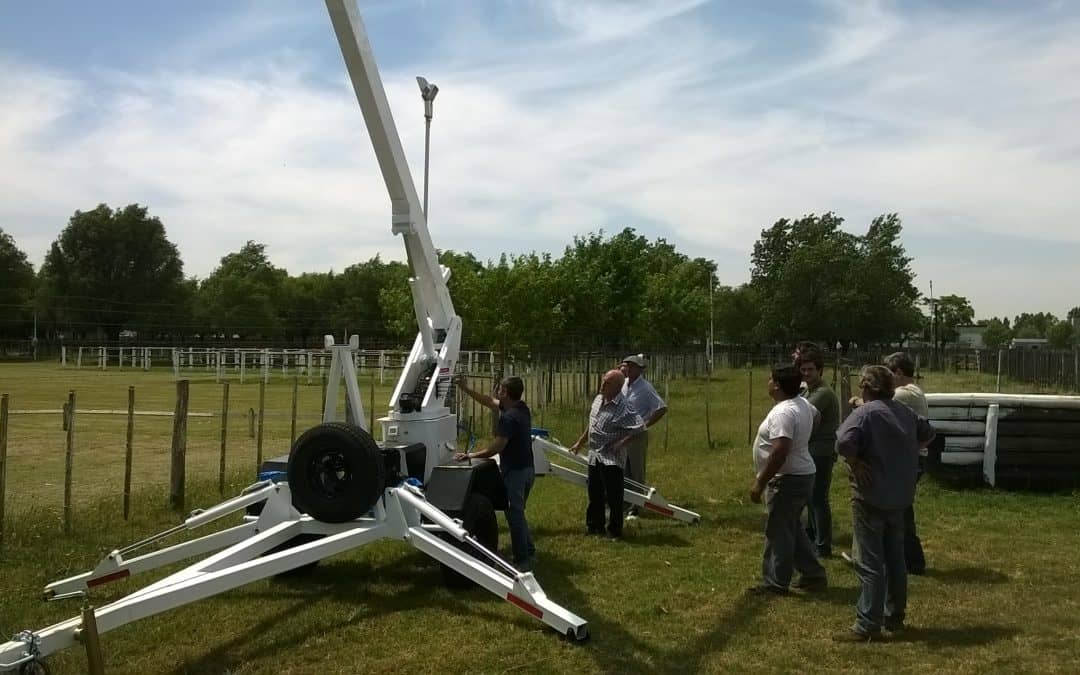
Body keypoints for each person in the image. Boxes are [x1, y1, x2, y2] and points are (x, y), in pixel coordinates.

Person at [833, 366, 934, 642]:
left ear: (867, 387)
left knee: (870, 562)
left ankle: (868, 624)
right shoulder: (905, 412)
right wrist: (908, 451)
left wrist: (855, 462)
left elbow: (843, 441)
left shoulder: (865, 413)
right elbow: (928, 433)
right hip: (900, 496)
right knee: (895, 558)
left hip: (870, 496)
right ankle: (895, 616)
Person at [748, 363, 827, 595]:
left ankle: (776, 582)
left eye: (770, 379)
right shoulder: (802, 403)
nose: (768, 382)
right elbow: (817, 417)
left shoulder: (783, 413)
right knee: (791, 526)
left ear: (777, 385)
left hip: (787, 478)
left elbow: (780, 451)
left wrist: (760, 482)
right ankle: (813, 574)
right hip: (802, 473)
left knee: (778, 531)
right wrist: (802, 440)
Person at [455, 376, 536, 572]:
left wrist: (470, 456)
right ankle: (529, 550)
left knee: (514, 516)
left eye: (499, 389)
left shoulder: (509, 418)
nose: (496, 392)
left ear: (505, 392)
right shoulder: (521, 408)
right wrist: (466, 389)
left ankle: (522, 562)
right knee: (518, 512)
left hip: (515, 473)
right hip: (528, 470)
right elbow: (489, 402)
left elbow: (497, 448)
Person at [568, 369, 644, 540]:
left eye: (607, 383)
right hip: (594, 455)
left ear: (617, 386)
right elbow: (592, 424)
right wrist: (580, 442)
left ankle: (614, 531)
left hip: (611, 458)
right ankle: (594, 526)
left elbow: (640, 430)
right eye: (603, 381)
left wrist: (621, 444)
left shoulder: (624, 407)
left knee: (613, 496)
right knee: (594, 493)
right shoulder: (598, 399)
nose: (602, 385)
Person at [884, 352, 929, 575]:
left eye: (889, 374)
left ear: (899, 373)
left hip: (910, 459)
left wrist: (856, 401)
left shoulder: (903, 393)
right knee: (902, 509)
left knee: (901, 511)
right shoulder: (914, 391)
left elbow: (878, 404)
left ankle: (913, 560)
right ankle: (906, 558)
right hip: (913, 457)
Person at [798, 349, 841, 558]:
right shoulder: (809, 390)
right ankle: (812, 536)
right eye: (803, 369)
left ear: (820, 370)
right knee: (810, 497)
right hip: (811, 449)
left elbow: (801, 412)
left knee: (818, 498)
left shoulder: (823, 393)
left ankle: (823, 545)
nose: (806, 373)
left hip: (821, 451)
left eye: (810, 369)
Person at [618, 353, 668, 519]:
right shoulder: (624, 384)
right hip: (622, 434)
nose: (628, 368)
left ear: (639, 369)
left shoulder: (645, 388)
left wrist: (645, 425)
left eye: (632, 366)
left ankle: (636, 506)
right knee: (623, 469)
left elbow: (661, 408)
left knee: (636, 471)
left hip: (637, 435)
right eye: (627, 365)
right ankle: (625, 502)